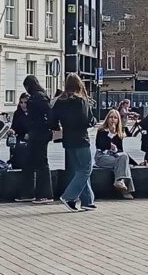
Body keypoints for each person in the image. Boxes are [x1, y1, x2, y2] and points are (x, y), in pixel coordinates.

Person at [51, 73, 97, 212]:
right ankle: (69, 197)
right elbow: (87, 120)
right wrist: (93, 120)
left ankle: (87, 201)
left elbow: (52, 120)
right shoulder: (81, 100)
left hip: (68, 139)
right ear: (79, 85)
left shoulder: (60, 100)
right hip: (81, 138)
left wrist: (58, 126)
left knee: (79, 170)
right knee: (86, 169)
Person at [19, 76, 55, 205]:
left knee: (40, 162)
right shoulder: (41, 96)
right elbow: (49, 114)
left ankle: (44, 194)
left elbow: (47, 114)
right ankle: (31, 193)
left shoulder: (37, 97)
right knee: (33, 161)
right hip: (40, 132)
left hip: (38, 133)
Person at [95, 109, 136, 199]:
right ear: (107, 119)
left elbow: (121, 150)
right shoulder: (101, 130)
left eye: (115, 118)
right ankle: (125, 191)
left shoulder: (119, 133)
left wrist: (135, 163)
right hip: (102, 156)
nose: (113, 120)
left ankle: (119, 181)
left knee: (124, 158)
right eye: (111, 117)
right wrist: (110, 135)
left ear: (118, 120)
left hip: (114, 156)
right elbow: (100, 145)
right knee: (124, 165)